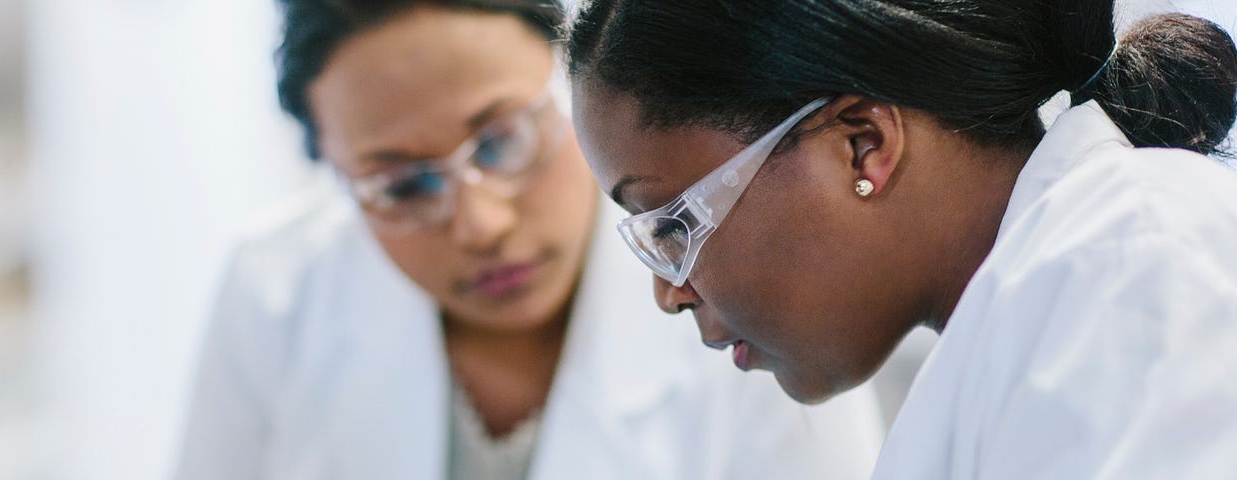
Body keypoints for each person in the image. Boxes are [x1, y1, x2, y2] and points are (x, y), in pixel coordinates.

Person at [173, 1, 887, 479]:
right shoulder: (275, 292)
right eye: (401, 187)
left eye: (502, 140)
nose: (482, 225)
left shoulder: (751, 296)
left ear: (574, 81)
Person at [566, 0, 1237, 477]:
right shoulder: (1037, 312)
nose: (669, 293)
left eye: (673, 226)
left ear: (863, 145)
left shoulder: (1133, 262)